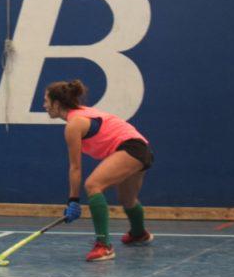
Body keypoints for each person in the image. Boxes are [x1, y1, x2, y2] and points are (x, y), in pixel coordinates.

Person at [43, 79, 154, 262]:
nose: (44, 105)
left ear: (57, 103)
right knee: (127, 199)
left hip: (131, 148)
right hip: (142, 149)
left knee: (94, 185)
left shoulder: (74, 124)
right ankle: (139, 233)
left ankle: (104, 246)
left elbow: (75, 167)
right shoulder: (83, 113)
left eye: (47, 101)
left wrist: (73, 200)